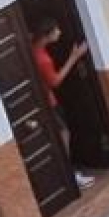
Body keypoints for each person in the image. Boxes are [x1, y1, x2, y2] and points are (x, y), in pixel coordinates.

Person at [31, 19, 94, 189]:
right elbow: (55, 81)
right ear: (47, 34)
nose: (59, 32)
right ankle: (69, 176)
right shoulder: (43, 59)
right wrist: (74, 57)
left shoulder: (33, 49)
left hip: (45, 102)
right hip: (49, 103)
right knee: (63, 136)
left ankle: (69, 175)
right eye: (56, 30)